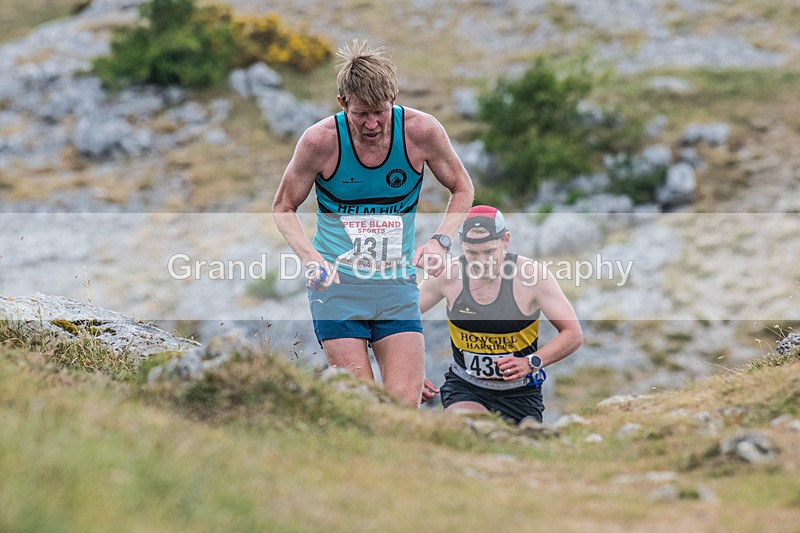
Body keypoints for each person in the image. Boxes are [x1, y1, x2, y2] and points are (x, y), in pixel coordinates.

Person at [272, 39, 474, 407]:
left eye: (380, 111)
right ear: (342, 103)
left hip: (395, 286)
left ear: (394, 99)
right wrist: (310, 259)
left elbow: (462, 187)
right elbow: (283, 207)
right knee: (362, 403)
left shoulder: (420, 131)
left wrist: (441, 241)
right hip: (337, 287)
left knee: (402, 404)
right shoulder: (320, 141)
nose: (372, 123)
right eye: (361, 113)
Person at [419, 205, 583, 423]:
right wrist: (410, 373)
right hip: (465, 386)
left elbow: (573, 334)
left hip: (520, 393)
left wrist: (531, 362)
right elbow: (398, 316)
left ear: (505, 240)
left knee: (515, 449)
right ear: (461, 245)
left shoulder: (532, 276)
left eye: (489, 252)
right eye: (472, 253)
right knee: (467, 428)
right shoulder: (448, 275)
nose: (480, 261)